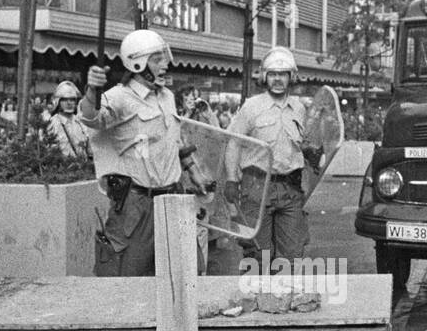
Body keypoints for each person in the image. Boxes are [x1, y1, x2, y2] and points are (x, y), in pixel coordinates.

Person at [78, 29, 208, 277]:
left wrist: (193, 171)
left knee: (184, 277)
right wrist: (92, 90)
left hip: (174, 197)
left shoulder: (167, 96)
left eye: (164, 58)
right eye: (157, 60)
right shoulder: (119, 97)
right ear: (137, 62)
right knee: (130, 280)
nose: (165, 65)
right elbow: (91, 117)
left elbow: (174, 140)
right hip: (137, 205)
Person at [223, 46, 321, 261]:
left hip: (291, 189)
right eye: (273, 74)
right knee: (257, 253)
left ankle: (284, 295)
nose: (277, 79)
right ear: (265, 77)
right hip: (257, 186)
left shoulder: (299, 109)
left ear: (291, 77)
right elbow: (234, 143)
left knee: (293, 254)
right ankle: (257, 295)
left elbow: (302, 144)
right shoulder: (251, 106)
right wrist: (231, 179)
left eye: (283, 74)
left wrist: (311, 153)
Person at [48, 80, 89, 160]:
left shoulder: (81, 122)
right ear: (58, 102)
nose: (69, 103)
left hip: (83, 169)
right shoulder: (51, 123)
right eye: (65, 99)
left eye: (72, 99)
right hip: (60, 169)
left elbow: (89, 150)